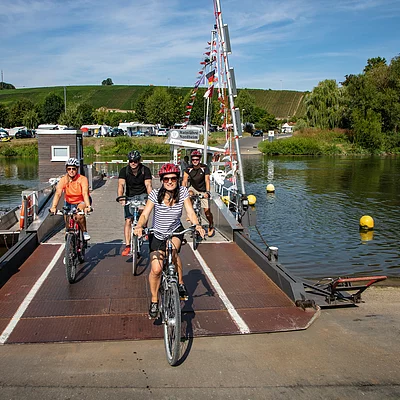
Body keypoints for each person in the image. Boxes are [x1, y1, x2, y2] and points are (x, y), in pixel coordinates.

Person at [133, 163, 205, 318]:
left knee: (171, 249)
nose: (170, 181)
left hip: (176, 231)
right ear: (162, 181)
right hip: (157, 233)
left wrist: (197, 225)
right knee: (156, 270)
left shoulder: (183, 192)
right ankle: (154, 300)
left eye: (173, 178)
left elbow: (190, 212)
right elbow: (145, 214)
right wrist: (139, 225)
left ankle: (179, 283)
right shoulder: (154, 194)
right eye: (166, 179)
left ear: (178, 179)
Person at [118, 150, 153, 256]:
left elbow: (148, 185)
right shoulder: (124, 170)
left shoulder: (145, 170)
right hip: (129, 196)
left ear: (139, 161)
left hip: (142, 194)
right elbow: (121, 185)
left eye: (136, 161)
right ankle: (128, 245)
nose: (133, 163)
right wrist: (121, 197)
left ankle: (144, 225)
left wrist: (150, 197)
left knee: (143, 211)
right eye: (131, 161)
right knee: (128, 220)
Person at [50, 158, 91, 240]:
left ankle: (84, 231)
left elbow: (85, 193)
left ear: (77, 169)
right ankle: (70, 242)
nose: (71, 171)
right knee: (68, 222)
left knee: (79, 216)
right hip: (69, 201)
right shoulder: (63, 179)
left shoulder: (82, 179)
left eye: (73, 169)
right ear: (66, 169)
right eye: (69, 169)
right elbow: (58, 193)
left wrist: (88, 206)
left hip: (81, 200)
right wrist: (54, 207)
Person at [182, 150, 215, 237]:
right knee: (189, 193)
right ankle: (190, 212)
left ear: (199, 159)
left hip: (203, 190)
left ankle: (211, 224)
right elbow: (184, 180)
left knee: (207, 212)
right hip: (193, 188)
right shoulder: (188, 169)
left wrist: (207, 192)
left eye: (197, 159)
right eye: (193, 160)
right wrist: (183, 190)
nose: (195, 161)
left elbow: (207, 180)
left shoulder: (205, 168)